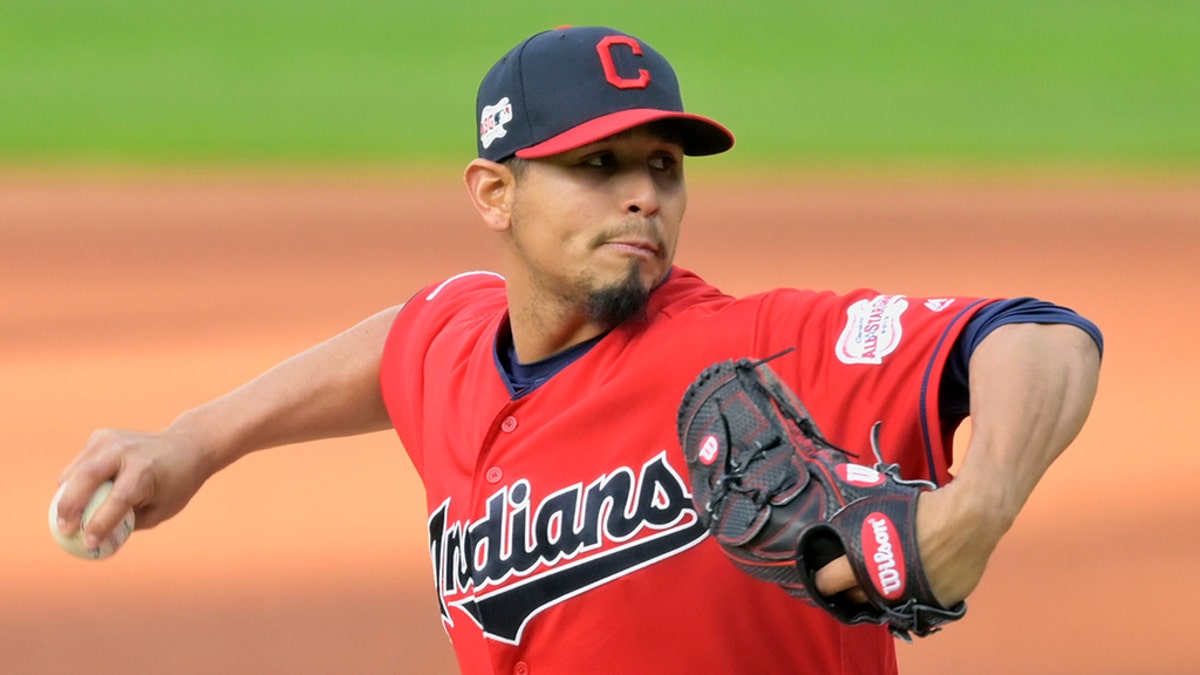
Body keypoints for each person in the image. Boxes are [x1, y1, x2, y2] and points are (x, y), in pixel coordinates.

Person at [54, 26, 1102, 674]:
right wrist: (194, 441)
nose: (645, 190)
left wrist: (978, 507)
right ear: (494, 193)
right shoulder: (459, 349)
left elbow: (1036, 337)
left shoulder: (753, 350)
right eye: (596, 164)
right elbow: (402, 341)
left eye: (662, 163)